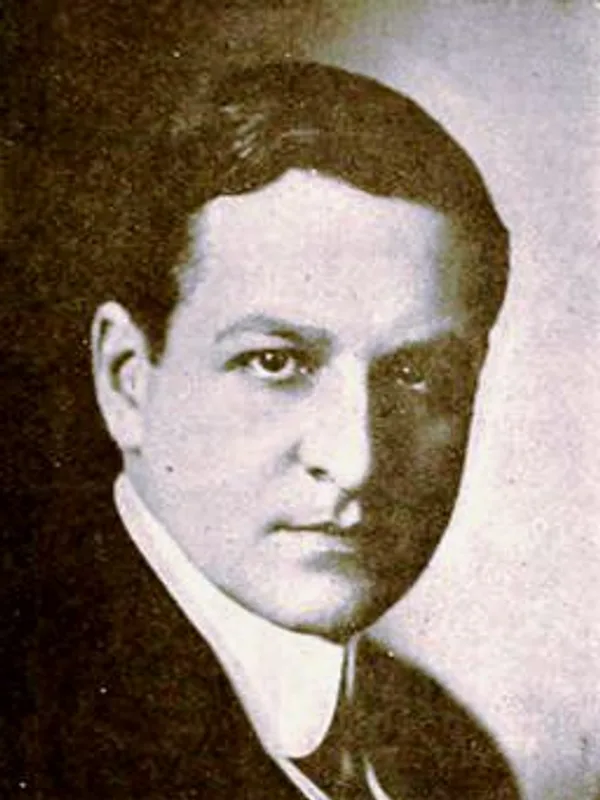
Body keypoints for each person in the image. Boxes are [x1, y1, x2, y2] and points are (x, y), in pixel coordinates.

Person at [19, 61, 519, 798]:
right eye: (275, 362)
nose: (354, 459)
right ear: (127, 380)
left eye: (417, 375)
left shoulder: (448, 753)